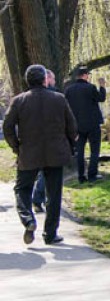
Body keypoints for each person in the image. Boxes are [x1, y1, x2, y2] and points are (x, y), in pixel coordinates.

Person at [3, 64, 77, 245]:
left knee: (22, 189)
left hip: (29, 153)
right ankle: (50, 234)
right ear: (45, 79)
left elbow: (7, 127)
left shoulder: (19, 101)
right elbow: (72, 126)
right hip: (55, 152)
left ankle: (28, 219)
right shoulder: (59, 99)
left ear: (27, 81)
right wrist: (68, 145)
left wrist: (16, 147)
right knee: (54, 194)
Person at [65, 66, 106, 183]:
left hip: (77, 125)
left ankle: (81, 176)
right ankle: (92, 175)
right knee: (94, 150)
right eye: (88, 75)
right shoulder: (90, 88)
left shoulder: (69, 90)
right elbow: (101, 98)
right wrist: (102, 86)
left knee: (80, 152)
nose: (88, 77)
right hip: (92, 124)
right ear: (84, 75)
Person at [32, 69, 58, 213]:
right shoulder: (55, 96)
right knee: (48, 173)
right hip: (50, 140)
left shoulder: (29, 97)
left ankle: (39, 199)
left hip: (37, 140)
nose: (54, 81)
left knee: (43, 172)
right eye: (52, 79)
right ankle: (42, 199)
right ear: (47, 79)